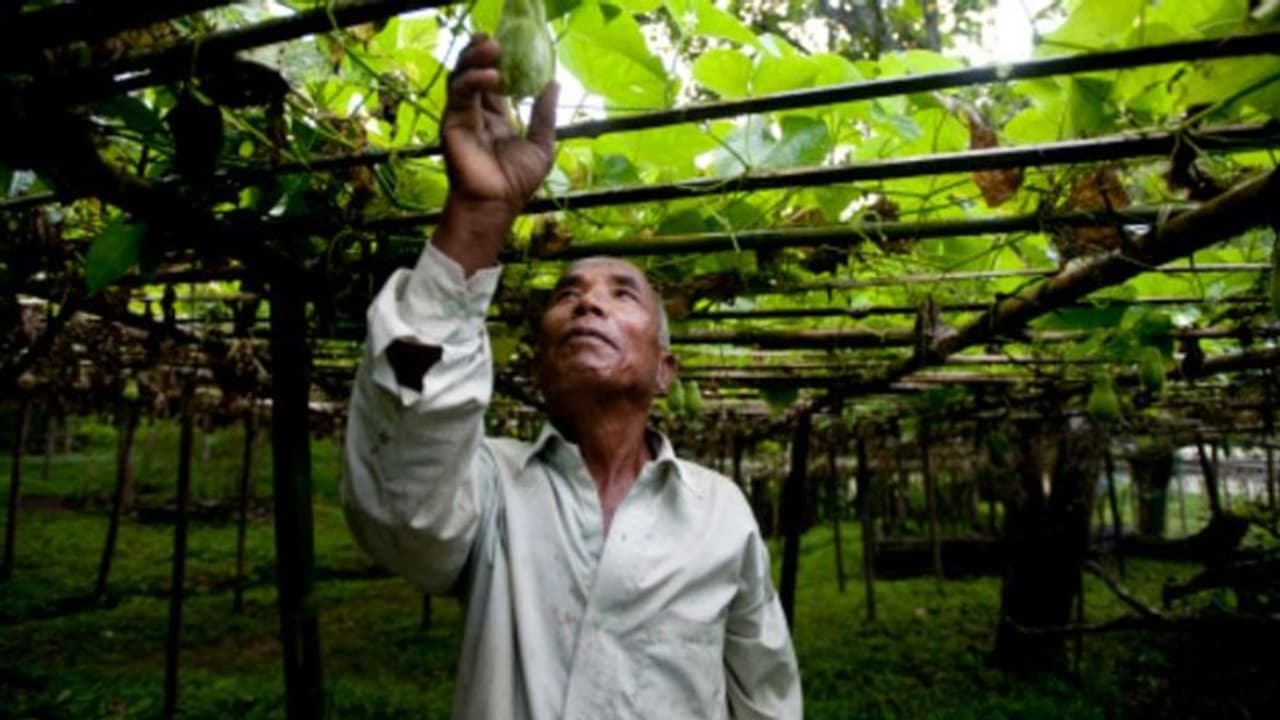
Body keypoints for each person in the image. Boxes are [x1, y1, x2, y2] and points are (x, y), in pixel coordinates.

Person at [341, 33, 801, 720]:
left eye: (623, 294)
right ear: (536, 363)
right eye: (566, 294)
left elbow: (764, 693)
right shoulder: (489, 485)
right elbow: (398, 512)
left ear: (665, 369)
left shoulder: (722, 513)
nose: (588, 301)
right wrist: (476, 219)